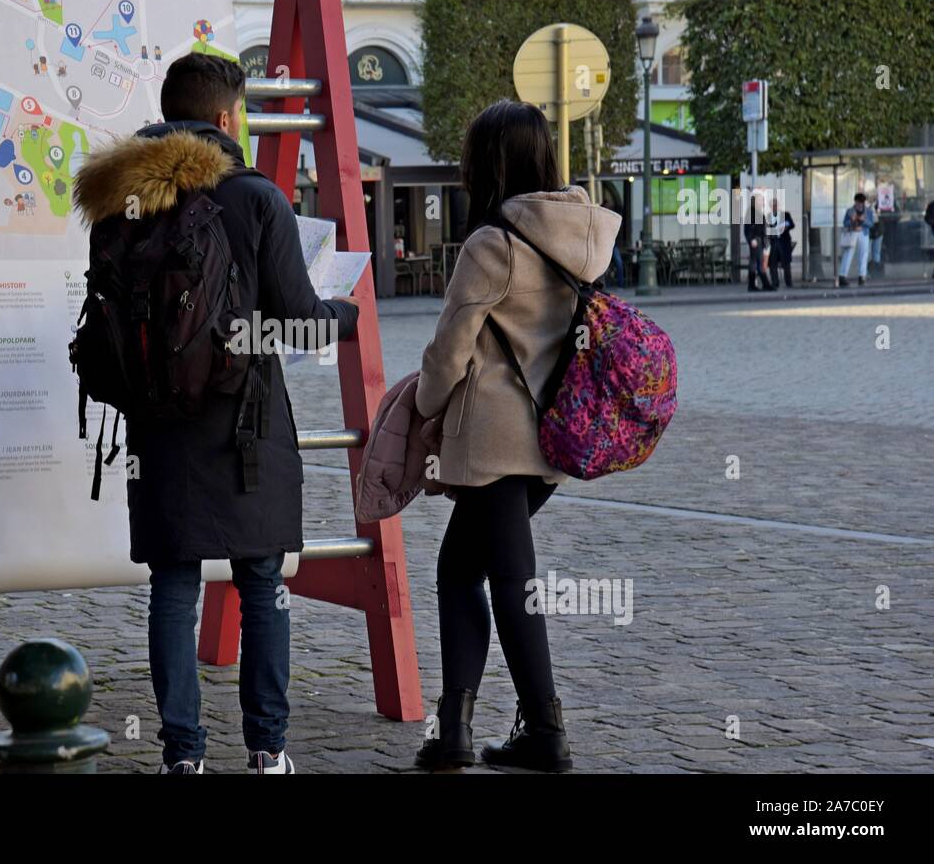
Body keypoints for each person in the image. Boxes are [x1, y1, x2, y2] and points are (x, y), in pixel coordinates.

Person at [72, 53, 358, 774]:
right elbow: (300, 321)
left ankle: (183, 757)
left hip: (157, 427)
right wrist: (346, 313)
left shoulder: (122, 199)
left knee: (173, 587)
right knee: (261, 582)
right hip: (246, 424)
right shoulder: (257, 199)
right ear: (229, 120)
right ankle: (267, 750)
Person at [412, 100, 619, 773]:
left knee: (508, 581)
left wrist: (421, 405)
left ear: (487, 162)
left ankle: (541, 733)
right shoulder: (581, 233)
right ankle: (457, 733)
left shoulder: (493, 244)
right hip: (553, 436)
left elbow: (450, 351)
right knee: (462, 570)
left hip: (494, 438)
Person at [838, 192, 873, 287]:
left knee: (863, 254)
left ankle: (862, 276)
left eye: (862, 202)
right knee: (848, 253)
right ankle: (842, 276)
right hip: (852, 233)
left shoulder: (868, 211)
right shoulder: (850, 211)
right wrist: (852, 220)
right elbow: (845, 223)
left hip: (863, 233)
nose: (860, 204)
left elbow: (871, 224)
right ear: (855, 201)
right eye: (858, 202)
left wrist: (863, 220)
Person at [744, 193, 773, 292]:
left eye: (762, 200)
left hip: (759, 240)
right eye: (760, 200)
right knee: (757, 263)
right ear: (755, 201)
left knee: (756, 263)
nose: (762, 202)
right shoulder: (751, 212)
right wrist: (752, 239)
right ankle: (765, 285)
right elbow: (749, 228)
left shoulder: (758, 212)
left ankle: (754, 285)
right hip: (756, 240)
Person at [767, 198, 795, 290]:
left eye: (776, 205)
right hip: (774, 242)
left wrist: (786, 226)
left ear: (778, 206)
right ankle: (775, 283)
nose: (774, 207)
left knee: (786, 263)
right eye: (772, 205)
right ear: (770, 207)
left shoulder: (786, 214)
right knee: (772, 264)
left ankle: (789, 282)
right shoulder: (768, 216)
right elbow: (767, 229)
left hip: (784, 242)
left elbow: (792, 225)